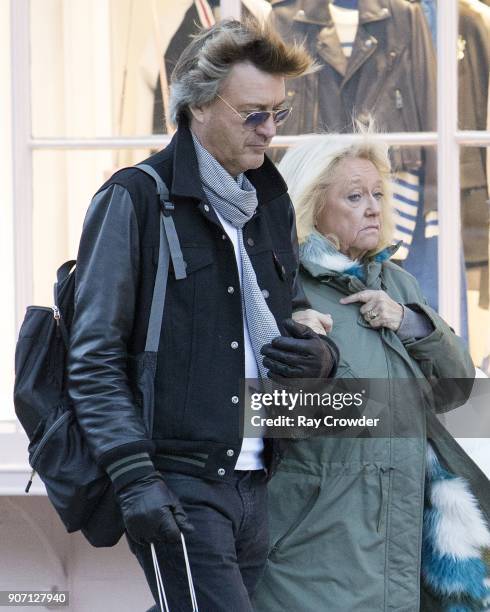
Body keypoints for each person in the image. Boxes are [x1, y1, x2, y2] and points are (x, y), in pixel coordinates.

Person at [67, 19, 339, 612]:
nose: (269, 131)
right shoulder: (135, 197)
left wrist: (321, 361)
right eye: (252, 114)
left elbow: (292, 316)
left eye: (278, 113)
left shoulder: (267, 198)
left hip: (254, 479)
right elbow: (93, 358)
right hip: (177, 480)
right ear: (196, 104)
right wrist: (136, 478)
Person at [252, 132, 478, 611]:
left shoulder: (397, 282)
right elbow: (264, 414)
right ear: (313, 204)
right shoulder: (282, 287)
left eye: (378, 194)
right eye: (354, 196)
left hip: (393, 544)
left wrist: (410, 320)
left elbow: (456, 385)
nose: (373, 208)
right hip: (313, 544)